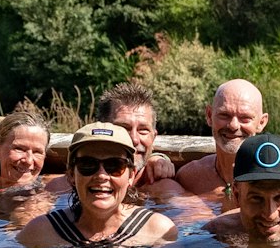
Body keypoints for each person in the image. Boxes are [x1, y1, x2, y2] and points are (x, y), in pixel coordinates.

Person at [18, 124, 177, 248]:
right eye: (88, 165)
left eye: (114, 165)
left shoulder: (158, 231)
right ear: (71, 175)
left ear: (130, 175)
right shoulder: (40, 233)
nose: (101, 175)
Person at [45, 82, 188, 201]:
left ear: (153, 137)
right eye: (123, 128)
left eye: (143, 130)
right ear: (100, 128)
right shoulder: (61, 188)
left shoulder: (166, 191)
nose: (134, 139)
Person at [176, 79, 269, 203]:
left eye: (245, 118)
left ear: (261, 122)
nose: (233, 125)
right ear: (209, 116)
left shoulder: (279, 180)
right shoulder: (190, 178)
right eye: (224, 115)